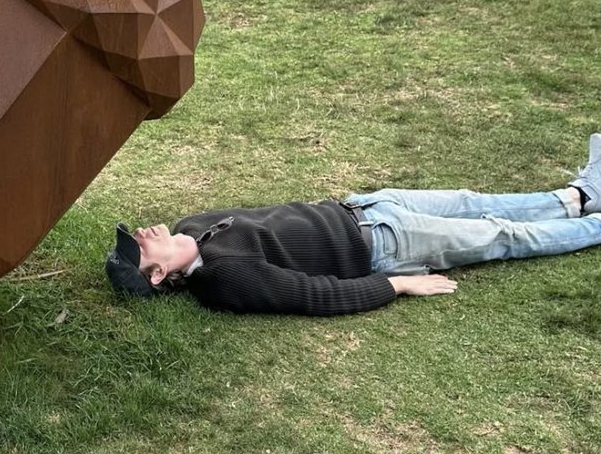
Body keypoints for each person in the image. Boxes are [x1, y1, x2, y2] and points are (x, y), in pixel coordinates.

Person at [105, 136, 601, 315]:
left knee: (475, 201)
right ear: (156, 276)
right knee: (502, 236)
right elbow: (317, 295)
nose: (144, 234)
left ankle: (580, 197)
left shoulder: (191, 225)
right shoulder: (224, 279)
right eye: (141, 248)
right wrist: (399, 284)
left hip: (367, 206)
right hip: (387, 244)